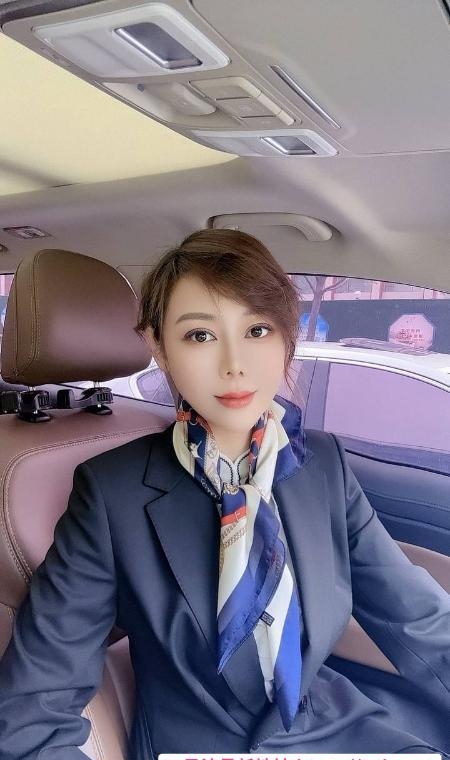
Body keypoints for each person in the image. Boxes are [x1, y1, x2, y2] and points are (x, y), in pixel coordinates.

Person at [0, 229, 449, 759]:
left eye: (257, 329)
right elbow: (32, 714)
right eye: (200, 335)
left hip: (333, 728)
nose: (235, 363)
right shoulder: (109, 493)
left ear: (287, 337)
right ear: (158, 346)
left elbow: (416, 617)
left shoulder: (322, 467)